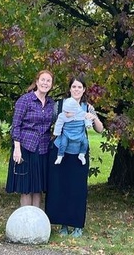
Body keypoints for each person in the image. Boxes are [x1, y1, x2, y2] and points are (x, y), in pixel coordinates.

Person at [45, 75, 104, 238]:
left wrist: (94, 118)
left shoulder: (87, 107)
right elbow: (49, 124)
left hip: (79, 154)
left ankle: (77, 225)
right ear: (69, 89)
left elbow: (100, 129)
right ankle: (63, 224)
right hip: (60, 152)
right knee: (61, 188)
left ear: (84, 90)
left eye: (79, 87)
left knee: (77, 189)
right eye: (74, 87)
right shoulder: (59, 106)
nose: (76, 89)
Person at [5, 69, 55, 208]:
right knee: (26, 188)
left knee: (38, 188)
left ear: (51, 85)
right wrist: (17, 149)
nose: (45, 83)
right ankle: (26, 219)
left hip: (43, 149)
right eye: (43, 80)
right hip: (26, 148)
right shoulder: (25, 100)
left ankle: (36, 220)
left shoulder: (51, 104)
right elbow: (16, 125)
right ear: (37, 81)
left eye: (48, 81)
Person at [52, 97, 90, 165]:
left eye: (68, 112)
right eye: (65, 111)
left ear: (74, 110)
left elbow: (87, 117)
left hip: (79, 134)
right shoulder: (63, 115)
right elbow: (58, 124)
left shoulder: (81, 113)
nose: (66, 114)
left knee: (85, 142)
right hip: (66, 134)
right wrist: (57, 133)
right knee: (63, 143)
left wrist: (88, 124)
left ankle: (82, 154)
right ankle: (60, 156)